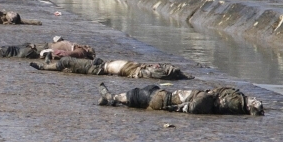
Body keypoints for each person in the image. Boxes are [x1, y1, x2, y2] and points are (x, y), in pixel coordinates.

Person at [97, 83, 264, 115]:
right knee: (143, 94)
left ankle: (111, 99)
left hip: (165, 99)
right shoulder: (235, 101)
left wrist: (179, 109)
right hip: (166, 99)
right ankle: (113, 100)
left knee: (141, 94)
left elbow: (202, 101)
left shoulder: (232, 102)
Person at [29, 56, 192, 80]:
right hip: (101, 65)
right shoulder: (141, 68)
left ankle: (44, 67)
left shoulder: (140, 72)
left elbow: (168, 71)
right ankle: (48, 64)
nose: (157, 65)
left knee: (66, 63)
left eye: (159, 67)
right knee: (67, 68)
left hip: (99, 68)